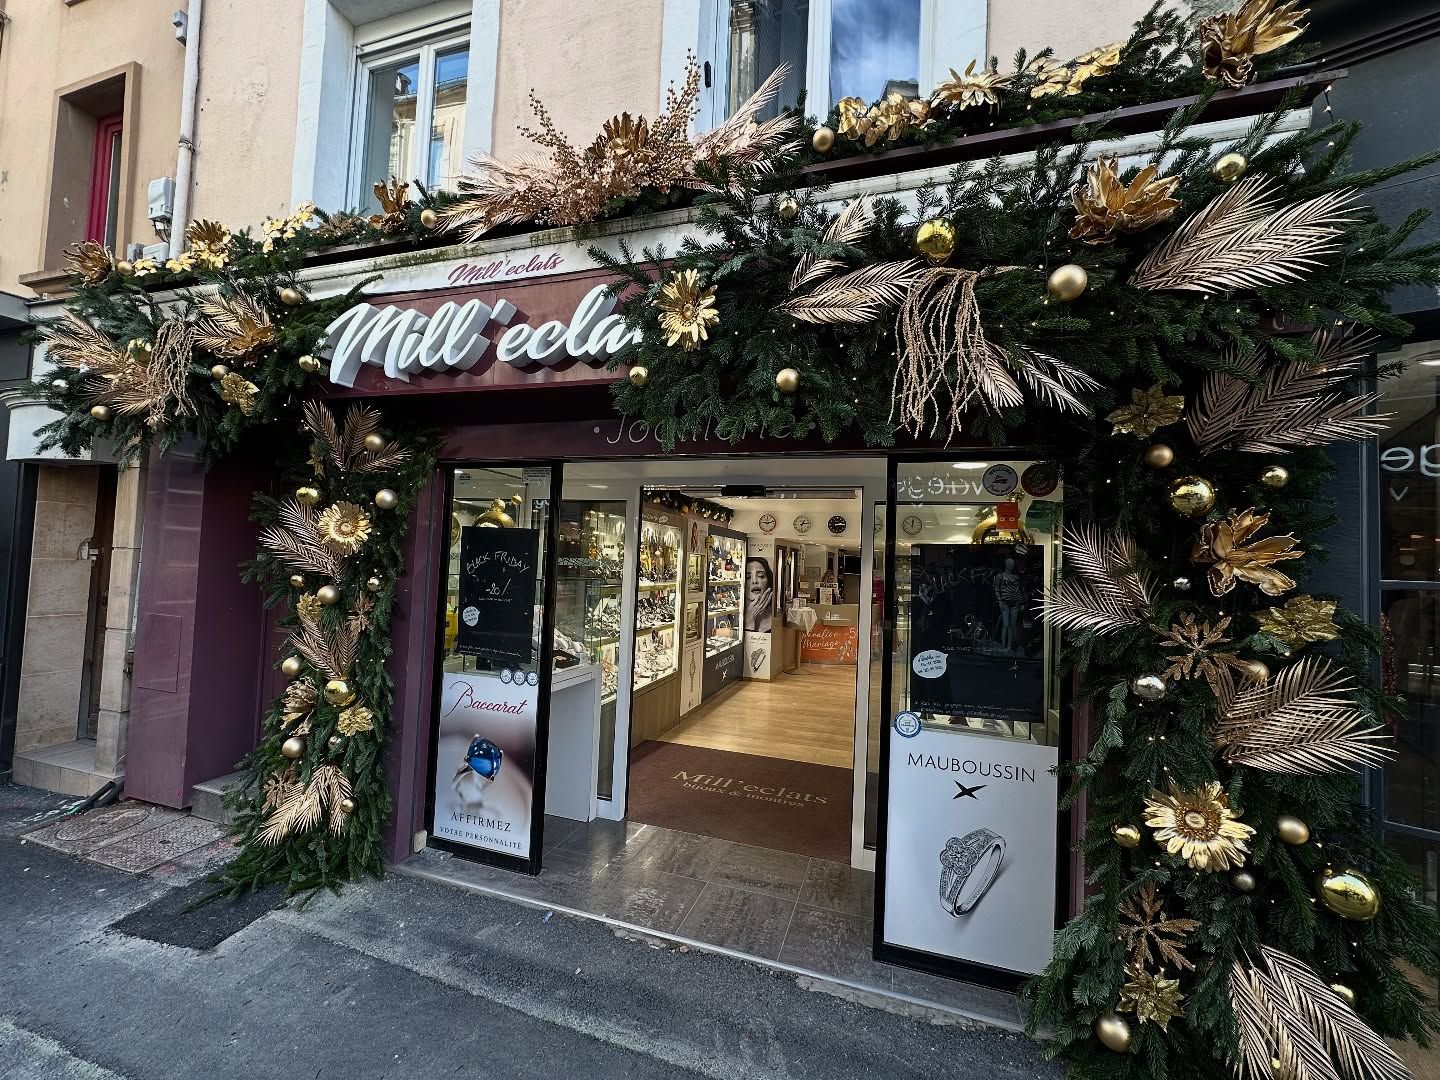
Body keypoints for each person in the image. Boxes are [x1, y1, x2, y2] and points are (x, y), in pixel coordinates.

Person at [744, 556, 774, 632]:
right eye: (748, 577)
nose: (754, 581)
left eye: (761, 576)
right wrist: (749, 621)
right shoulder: (734, 615)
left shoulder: (776, 616)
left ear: (768, 581)